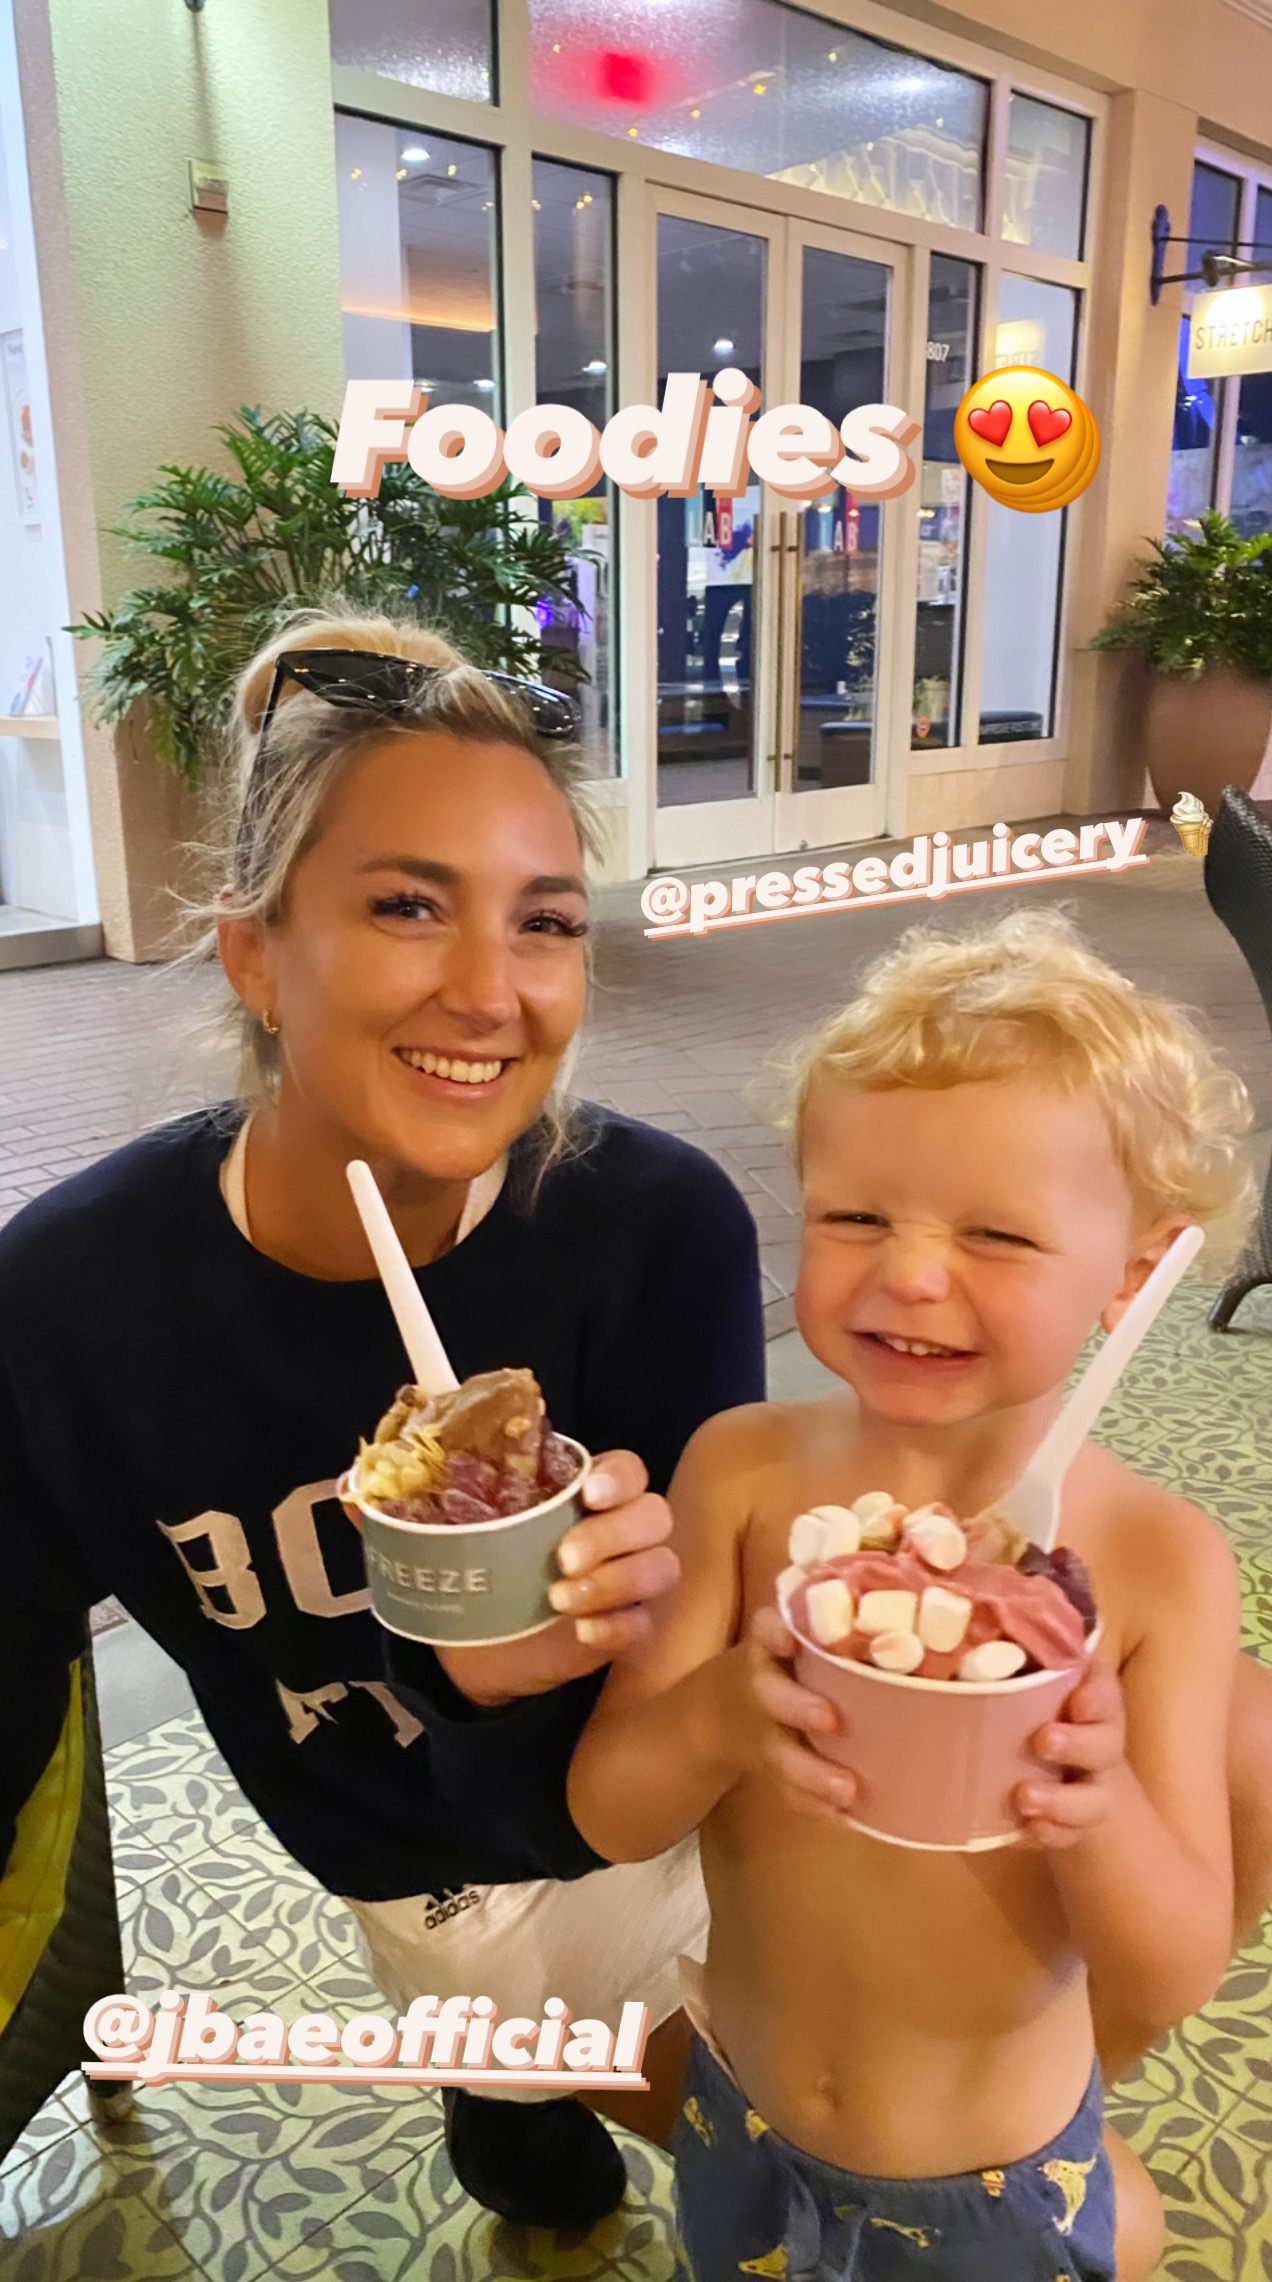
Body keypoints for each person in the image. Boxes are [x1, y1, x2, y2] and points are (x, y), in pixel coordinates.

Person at [0, 613, 765, 2232]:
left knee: (816, 2126)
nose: (489, 992)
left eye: (544, 921)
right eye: (409, 905)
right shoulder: (68, 1300)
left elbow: (707, 1677)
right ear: (255, 954)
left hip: (646, 1788)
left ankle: (506, 2097)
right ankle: (503, 2087)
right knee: (711, 2155)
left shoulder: (655, 1230)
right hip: (409, 1853)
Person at [569, 912, 1272, 2280]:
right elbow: (609, 1812)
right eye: (855, 1216)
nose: (907, 1272)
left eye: (997, 1233)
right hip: (739, 2125)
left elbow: (1174, 1967)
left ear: (1136, 1273)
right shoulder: (743, 1473)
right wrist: (726, 1712)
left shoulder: (1157, 1566)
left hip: (993, 2190)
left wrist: (1094, 1803)